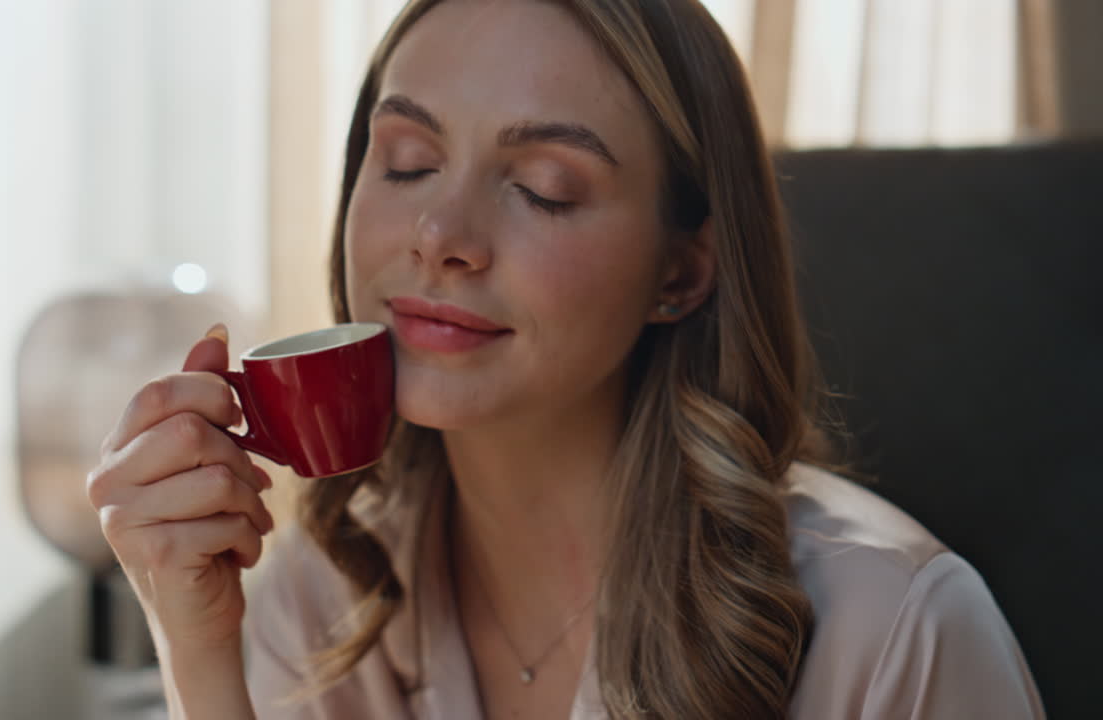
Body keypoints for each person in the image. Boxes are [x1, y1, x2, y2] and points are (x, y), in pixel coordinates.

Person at [86, 1, 1045, 717]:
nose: (439, 234)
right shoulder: (324, 590)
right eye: (409, 162)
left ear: (681, 269)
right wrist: (198, 653)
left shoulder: (896, 634)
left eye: (544, 188)